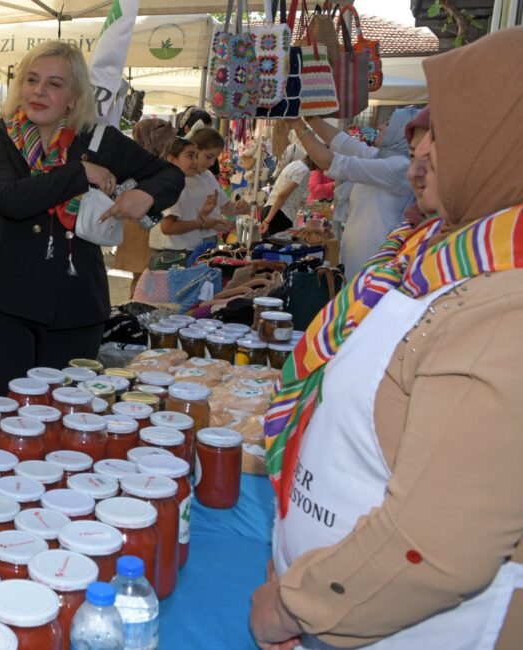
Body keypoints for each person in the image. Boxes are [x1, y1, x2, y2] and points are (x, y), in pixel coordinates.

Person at [250, 27, 523, 649]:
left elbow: (438, 544)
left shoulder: (508, 304)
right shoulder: (430, 254)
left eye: (444, 133)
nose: (420, 151)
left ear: (503, 144)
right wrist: (290, 549)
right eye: (420, 133)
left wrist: (295, 605)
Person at [0, 41, 184, 397]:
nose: (39, 91)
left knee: (66, 419)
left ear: (73, 97)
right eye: (32, 80)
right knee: (2, 417)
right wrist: (81, 172)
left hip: (75, 307)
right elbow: (10, 199)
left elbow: (170, 176)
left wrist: (145, 196)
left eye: (54, 84)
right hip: (3, 306)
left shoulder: (99, 140)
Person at [287, 107, 419, 277]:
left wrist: (297, 124)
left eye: (388, 123)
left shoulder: (400, 167)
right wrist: (306, 112)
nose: (379, 126)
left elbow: (329, 162)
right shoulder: (381, 156)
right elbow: (341, 142)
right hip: (359, 258)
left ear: (402, 132)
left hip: (375, 263)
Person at [148, 129, 245, 269]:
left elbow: (201, 215)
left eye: (195, 156)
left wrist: (209, 218)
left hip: (191, 250)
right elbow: (168, 226)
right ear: (172, 159)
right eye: (191, 155)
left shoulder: (205, 176)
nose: (212, 163)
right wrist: (202, 222)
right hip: (174, 255)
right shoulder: (171, 182)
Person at [115, 117, 175, 294]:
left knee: (145, 280)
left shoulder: (135, 159)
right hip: (142, 226)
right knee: (143, 280)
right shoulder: (144, 163)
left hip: (143, 225)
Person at [260, 156, 311, 238]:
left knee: (267, 248)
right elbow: (282, 195)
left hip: (270, 209)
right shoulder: (304, 171)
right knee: (276, 248)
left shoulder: (295, 164)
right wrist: (267, 221)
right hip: (280, 213)